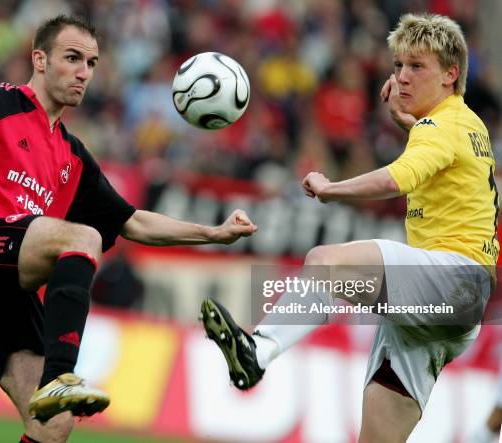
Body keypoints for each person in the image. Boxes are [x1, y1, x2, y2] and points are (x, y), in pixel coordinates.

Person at [0, 15, 257, 443]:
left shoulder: (72, 156)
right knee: (82, 237)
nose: (83, 72)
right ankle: (61, 375)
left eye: (91, 63)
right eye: (72, 58)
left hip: (3, 289)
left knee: (54, 426)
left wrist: (214, 234)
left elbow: (135, 222)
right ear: (40, 59)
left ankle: (55, 387)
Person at [201, 13, 497, 442]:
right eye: (398, 66)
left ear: (451, 74)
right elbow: (436, 156)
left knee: (326, 262)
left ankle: (258, 350)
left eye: (417, 66)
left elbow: (396, 178)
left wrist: (330, 187)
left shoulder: (440, 126)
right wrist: (408, 125)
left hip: (451, 279)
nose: (402, 77)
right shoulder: (466, 125)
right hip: (455, 308)